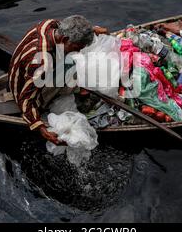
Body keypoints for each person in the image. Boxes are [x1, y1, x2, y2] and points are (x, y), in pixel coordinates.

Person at [8, 15, 107, 145]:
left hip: (32, 73)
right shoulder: (43, 62)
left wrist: (91, 30)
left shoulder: (49, 25)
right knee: (77, 66)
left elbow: (72, 29)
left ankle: (79, 88)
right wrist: (41, 127)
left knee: (76, 60)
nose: (78, 50)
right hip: (27, 92)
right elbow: (25, 100)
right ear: (65, 39)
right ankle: (77, 93)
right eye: (77, 47)